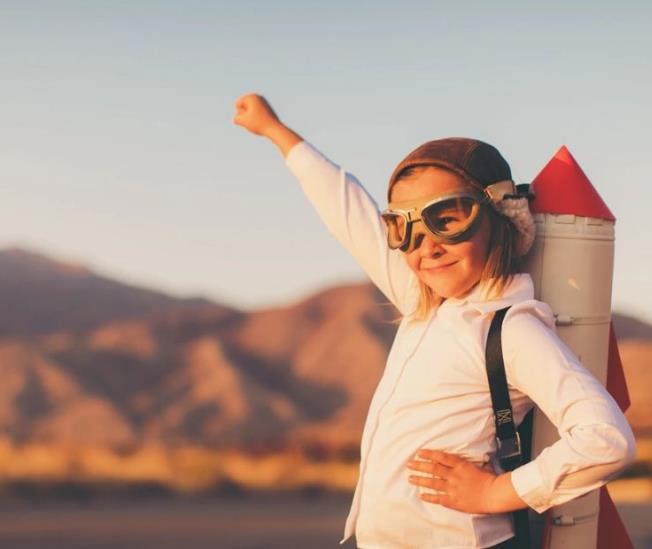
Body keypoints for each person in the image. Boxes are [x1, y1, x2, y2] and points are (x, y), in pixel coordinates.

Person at [232, 93, 636, 549]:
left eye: (448, 219)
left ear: (501, 217)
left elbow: (606, 439)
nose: (428, 247)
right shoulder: (425, 305)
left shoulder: (509, 328)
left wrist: (496, 491)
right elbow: (347, 212)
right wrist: (274, 131)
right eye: (405, 230)